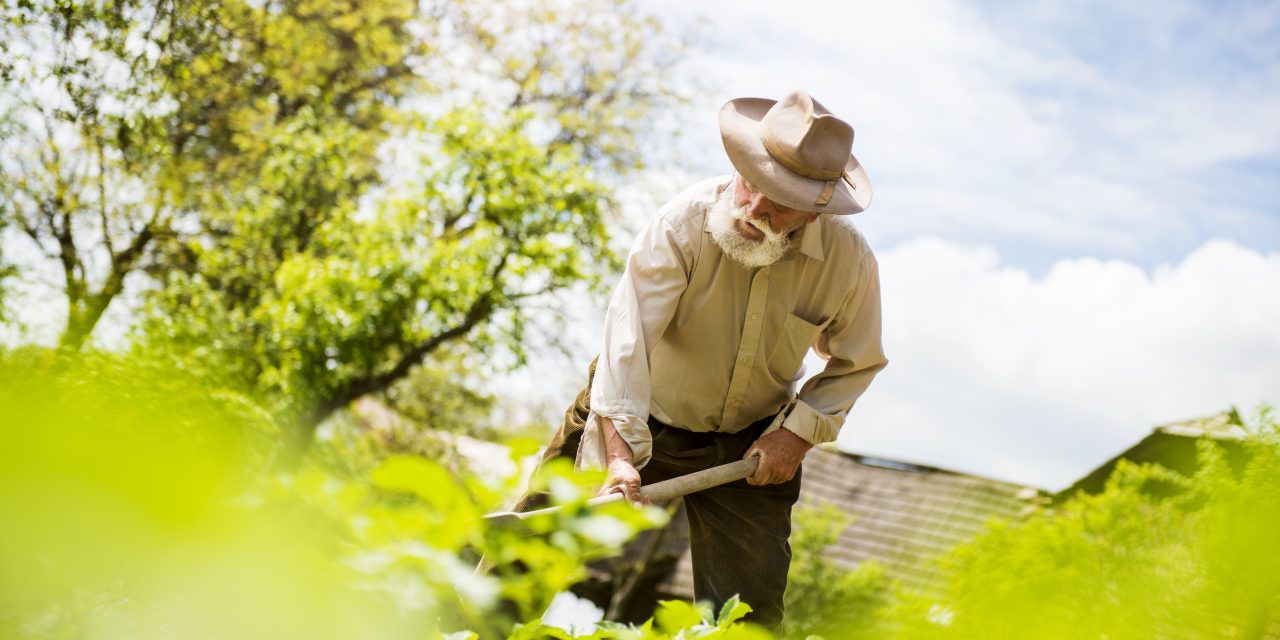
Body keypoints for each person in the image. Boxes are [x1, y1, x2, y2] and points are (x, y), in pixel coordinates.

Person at [516, 90, 888, 632]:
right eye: (751, 184)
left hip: (747, 447)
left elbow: (857, 364)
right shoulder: (681, 225)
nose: (754, 208)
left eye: (779, 203)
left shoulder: (850, 264)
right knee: (521, 561)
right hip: (629, 411)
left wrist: (796, 436)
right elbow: (627, 343)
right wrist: (618, 454)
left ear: (817, 209)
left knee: (747, 621)